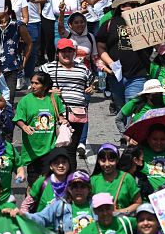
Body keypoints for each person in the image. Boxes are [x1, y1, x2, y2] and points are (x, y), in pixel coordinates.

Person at [41, 38, 95, 167]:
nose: (67, 54)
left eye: (70, 51)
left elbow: (91, 85)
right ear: (57, 53)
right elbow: (35, 88)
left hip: (76, 115)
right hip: (53, 114)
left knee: (70, 151)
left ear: (74, 53)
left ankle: (70, 182)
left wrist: (91, 88)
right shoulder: (47, 68)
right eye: (63, 51)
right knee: (52, 149)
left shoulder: (83, 69)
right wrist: (48, 90)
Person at [15, 72, 66, 183]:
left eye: (36, 83)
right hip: (33, 150)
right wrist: (24, 126)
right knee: (33, 183)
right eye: (32, 83)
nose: (33, 86)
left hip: (50, 147)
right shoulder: (25, 100)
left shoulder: (53, 98)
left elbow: (59, 116)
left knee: (50, 181)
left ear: (45, 86)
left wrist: (62, 120)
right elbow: (18, 118)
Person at [90, 143, 141, 215]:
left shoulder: (127, 178)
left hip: (121, 221)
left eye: (111, 160)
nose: (107, 164)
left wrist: (121, 211)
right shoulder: (93, 180)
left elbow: (138, 203)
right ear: (98, 161)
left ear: (117, 160)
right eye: (103, 160)